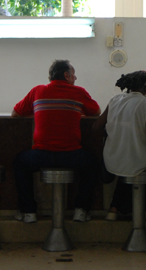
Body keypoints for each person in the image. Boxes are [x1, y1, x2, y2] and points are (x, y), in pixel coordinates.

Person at [12, 60, 101, 223]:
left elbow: (15, 114)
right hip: (71, 154)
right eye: (73, 74)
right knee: (92, 163)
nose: (75, 78)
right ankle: (81, 210)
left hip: (41, 154)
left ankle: (28, 212)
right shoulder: (79, 92)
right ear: (66, 75)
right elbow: (97, 112)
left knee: (20, 163)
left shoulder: (37, 91)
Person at [93, 70, 146, 221]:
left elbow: (96, 127)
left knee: (129, 165)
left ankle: (115, 207)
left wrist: (113, 135)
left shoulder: (114, 100)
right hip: (136, 160)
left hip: (111, 159)